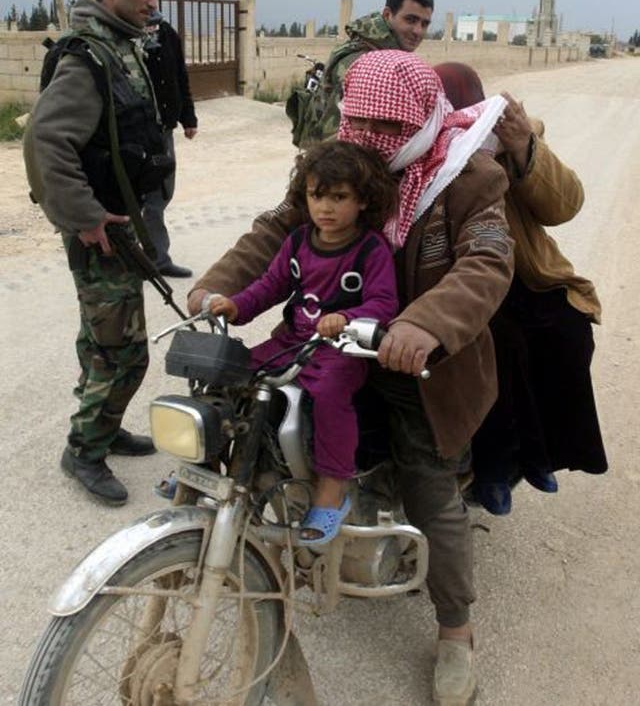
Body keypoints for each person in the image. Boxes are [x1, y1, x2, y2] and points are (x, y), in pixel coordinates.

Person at [189, 50, 516, 705]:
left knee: (431, 487)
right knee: (259, 435)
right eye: (360, 122)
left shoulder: (467, 172)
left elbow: (486, 260)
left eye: (390, 128)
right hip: (329, 348)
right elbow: (278, 230)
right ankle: (270, 585)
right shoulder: (340, 165)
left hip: (423, 367)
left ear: (424, 118)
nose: (375, 139)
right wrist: (218, 287)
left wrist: (426, 322)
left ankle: (455, 628)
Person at [23, 0, 168, 506]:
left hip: (118, 223)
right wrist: (84, 218)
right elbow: (47, 141)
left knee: (102, 339)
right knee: (124, 351)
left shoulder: (120, 47)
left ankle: (103, 429)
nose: (153, 1)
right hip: (100, 229)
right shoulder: (88, 56)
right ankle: (84, 450)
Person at [434, 62, 608, 515]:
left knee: (567, 331)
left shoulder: (511, 138)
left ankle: (543, 456)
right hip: (460, 280)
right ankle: (494, 468)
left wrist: (523, 146)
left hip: (524, 272)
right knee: (497, 343)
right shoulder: (420, 147)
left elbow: (565, 204)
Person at [203, 142, 399, 543]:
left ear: (363, 201)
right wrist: (235, 305)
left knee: (329, 396)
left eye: (339, 197)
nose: (325, 207)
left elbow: (384, 302)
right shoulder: (297, 241)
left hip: (342, 352)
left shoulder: (371, 249)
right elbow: (270, 285)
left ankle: (331, 495)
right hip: (293, 341)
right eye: (317, 196)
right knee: (229, 373)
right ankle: (205, 470)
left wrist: (346, 318)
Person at [286, 0, 434, 146]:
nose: (418, 31)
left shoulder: (378, 54)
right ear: (387, 15)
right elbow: (342, 132)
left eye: (424, 24)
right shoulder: (365, 63)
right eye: (410, 20)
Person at [142, 17, 198, 278]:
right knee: (130, 196)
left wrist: (188, 118)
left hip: (163, 131)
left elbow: (180, 76)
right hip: (131, 133)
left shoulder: (166, 33)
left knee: (161, 193)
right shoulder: (120, 35)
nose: (150, 1)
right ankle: (131, 260)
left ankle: (157, 260)